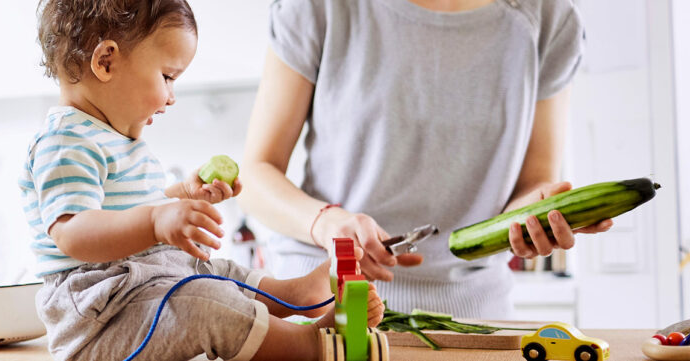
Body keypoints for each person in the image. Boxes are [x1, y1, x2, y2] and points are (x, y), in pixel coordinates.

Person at [20, 1, 382, 360]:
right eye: (167, 77)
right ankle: (309, 346)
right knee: (204, 304)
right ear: (106, 61)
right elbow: (71, 231)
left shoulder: (115, 136)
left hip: (138, 282)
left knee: (214, 271)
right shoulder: (65, 141)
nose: (171, 97)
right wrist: (156, 221)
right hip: (102, 316)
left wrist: (180, 198)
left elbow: (126, 207)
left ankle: (293, 295)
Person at [239, 0, 611, 320]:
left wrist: (536, 214)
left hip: (473, 316)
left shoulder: (548, 16)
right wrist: (325, 223)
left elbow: (535, 181)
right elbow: (256, 175)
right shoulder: (320, 7)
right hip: (326, 303)